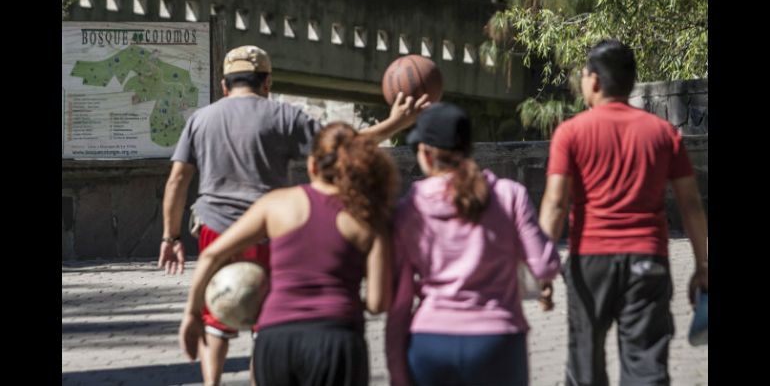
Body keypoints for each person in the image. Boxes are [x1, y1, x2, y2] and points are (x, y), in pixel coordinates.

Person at [159, 45, 428, 386]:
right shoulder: (284, 116)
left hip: (215, 227)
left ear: (225, 85)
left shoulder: (200, 119)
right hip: (268, 229)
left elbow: (178, 179)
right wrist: (394, 123)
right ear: (267, 82)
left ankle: (211, 382)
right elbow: (342, 146)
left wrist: (171, 237)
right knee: (263, 314)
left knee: (217, 312)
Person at [538, 39, 709, 386]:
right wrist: (702, 265)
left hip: (590, 262)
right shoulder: (663, 133)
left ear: (595, 81)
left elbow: (556, 204)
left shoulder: (570, 133)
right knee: (646, 367)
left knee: (584, 367)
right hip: (648, 259)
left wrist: (541, 266)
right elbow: (691, 204)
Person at [180, 122, 399, 386]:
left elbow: (211, 255)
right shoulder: (369, 217)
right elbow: (378, 303)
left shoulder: (277, 203)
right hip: (337, 338)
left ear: (312, 166)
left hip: (276, 337)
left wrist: (192, 314)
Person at [385, 103, 561, 386]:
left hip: (430, 342)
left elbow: (400, 300)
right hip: (498, 341)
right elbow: (545, 265)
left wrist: (396, 367)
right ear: (469, 148)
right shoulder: (509, 195)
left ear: (427, 156)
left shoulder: (410, 208)